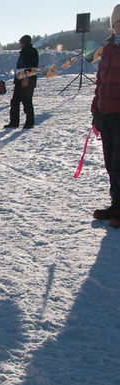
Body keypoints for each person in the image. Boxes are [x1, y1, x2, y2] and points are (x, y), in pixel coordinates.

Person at [91, 4, 120, 229]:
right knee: (111, 163)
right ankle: (116, 205)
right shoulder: (109, 47)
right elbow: (100, 81)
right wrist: (95, 110)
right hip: (106, 113)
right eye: (117, 23)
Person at [4, 35, 39, 129]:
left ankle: (29, 122)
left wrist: (23, 77)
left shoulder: (30, 51)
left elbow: (32, 68)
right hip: (21, 79)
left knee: (26, 100)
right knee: (15, 101)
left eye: (20, 42)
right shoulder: (26, 51)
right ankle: (14, 122)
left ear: (24, 42)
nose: (19, 44)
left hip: (26, 79)